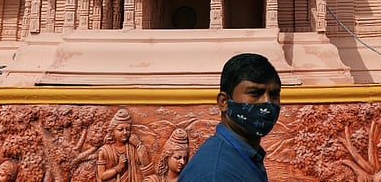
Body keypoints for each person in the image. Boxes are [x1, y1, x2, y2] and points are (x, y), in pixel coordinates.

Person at [178, 53, 282, 182]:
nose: (267, 102)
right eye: (254, 93)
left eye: (274, 95)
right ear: (224, 102)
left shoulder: (243, 155)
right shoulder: (215, 174)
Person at [96, 108, 155, 181]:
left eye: (128, 129)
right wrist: (119, 167)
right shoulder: (104, 151)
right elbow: (102, 176)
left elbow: (147, 169)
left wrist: (139, 145)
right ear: (112, 131)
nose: (125, 132)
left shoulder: (132, 148)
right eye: (120, 129)